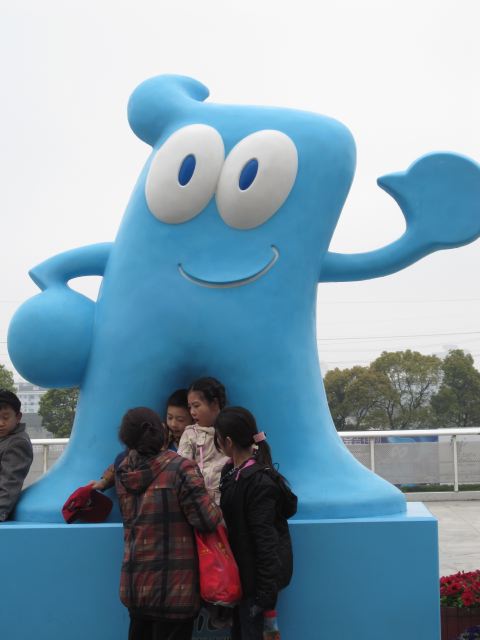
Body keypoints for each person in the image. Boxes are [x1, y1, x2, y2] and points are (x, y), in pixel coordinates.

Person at [115, 406, 222, 640]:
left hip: (136, 586)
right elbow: (207, 520)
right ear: (159, 431)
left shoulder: (123, 472)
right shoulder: (181, 469)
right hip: (176, 589)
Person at [214, 406, 297, 640]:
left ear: (227, 441)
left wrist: (264, 598)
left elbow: (265, 540)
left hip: (255, 586)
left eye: (217, 438)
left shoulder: (258, 482)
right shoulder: (232, 473)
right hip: (242, 580)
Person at [177, 377, 229, 504]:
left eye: (196, 406)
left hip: (229, 500)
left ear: (215, 404)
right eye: (190, 407)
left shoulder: (231, 429)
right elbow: (181, 470)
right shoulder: (190, 434)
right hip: (200, 503)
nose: (192, 412)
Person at [0, 389, 33, 522]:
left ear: (18, 417)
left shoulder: (18, 443)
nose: (0, 423)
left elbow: (10, 482)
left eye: (5, 417)